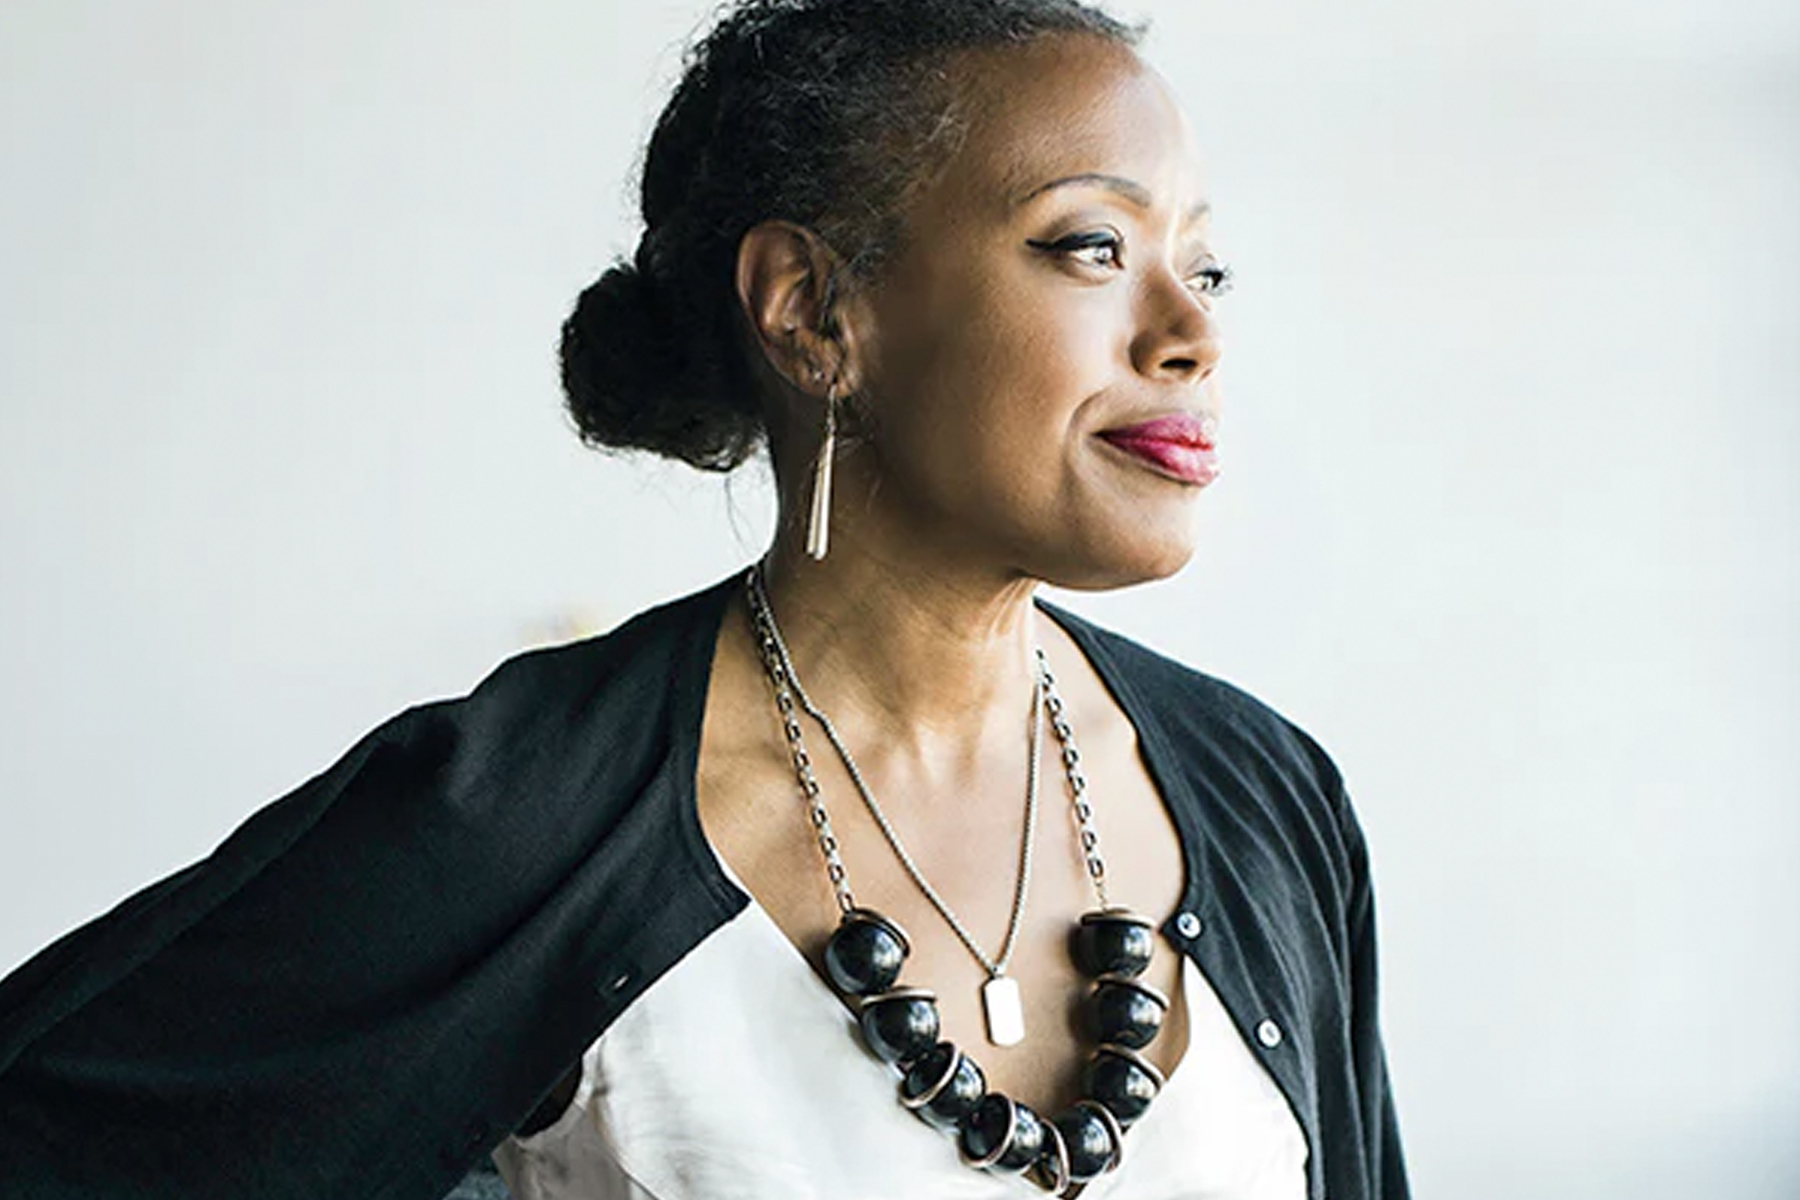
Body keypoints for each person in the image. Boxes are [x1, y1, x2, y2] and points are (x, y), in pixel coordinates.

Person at [0, 1, 1407, 1197]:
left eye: (1205, 265)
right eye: (1091, 246)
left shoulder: (1267, 794)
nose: (1194, 335)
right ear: (812, 309)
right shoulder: (523, 816)